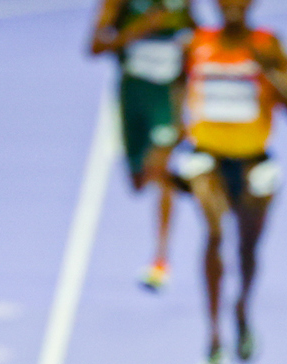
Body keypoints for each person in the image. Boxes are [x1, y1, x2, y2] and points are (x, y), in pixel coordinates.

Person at [174, 0, 287, 364]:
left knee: (248, 250)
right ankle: (214, 337)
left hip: (254, 162)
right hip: (207, 159)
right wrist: (176, 128)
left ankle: (242, 310)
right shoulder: (196, 43)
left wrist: (271, 74)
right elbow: (179, 87)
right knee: (214, 234)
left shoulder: (269, 44)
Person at [90, 0, 195, 291]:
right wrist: (139, 29)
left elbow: (195, 46)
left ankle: (160, 260)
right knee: (138, 181)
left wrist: (186, 109)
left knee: (160, 169)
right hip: (133, 94)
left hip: (165, 97)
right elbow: (95, 46)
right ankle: (180, 181)